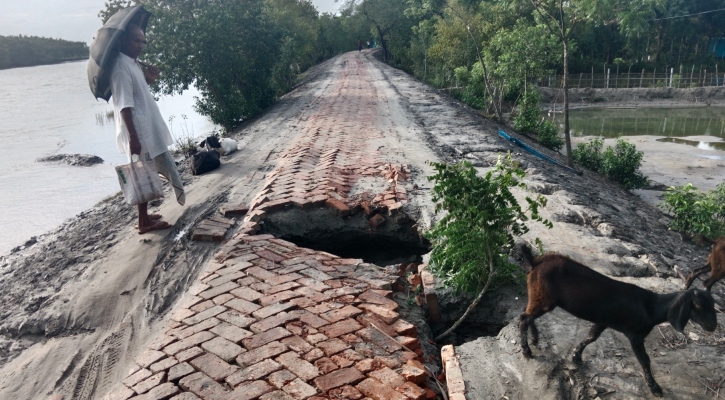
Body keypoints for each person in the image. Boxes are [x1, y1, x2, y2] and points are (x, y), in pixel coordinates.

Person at [111, 24, 185, 234]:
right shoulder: (120, 67)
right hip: (138, 130)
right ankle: (143, 222)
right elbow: (125, 105)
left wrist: (148, 80)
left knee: (146, 170)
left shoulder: (132, 64)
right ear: (124, 41)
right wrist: (134, 137)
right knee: (141, 172)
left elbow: (137, 94)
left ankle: (144, 216)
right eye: (136, 40)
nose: (141, 45)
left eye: (143, 41)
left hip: (145, 128)